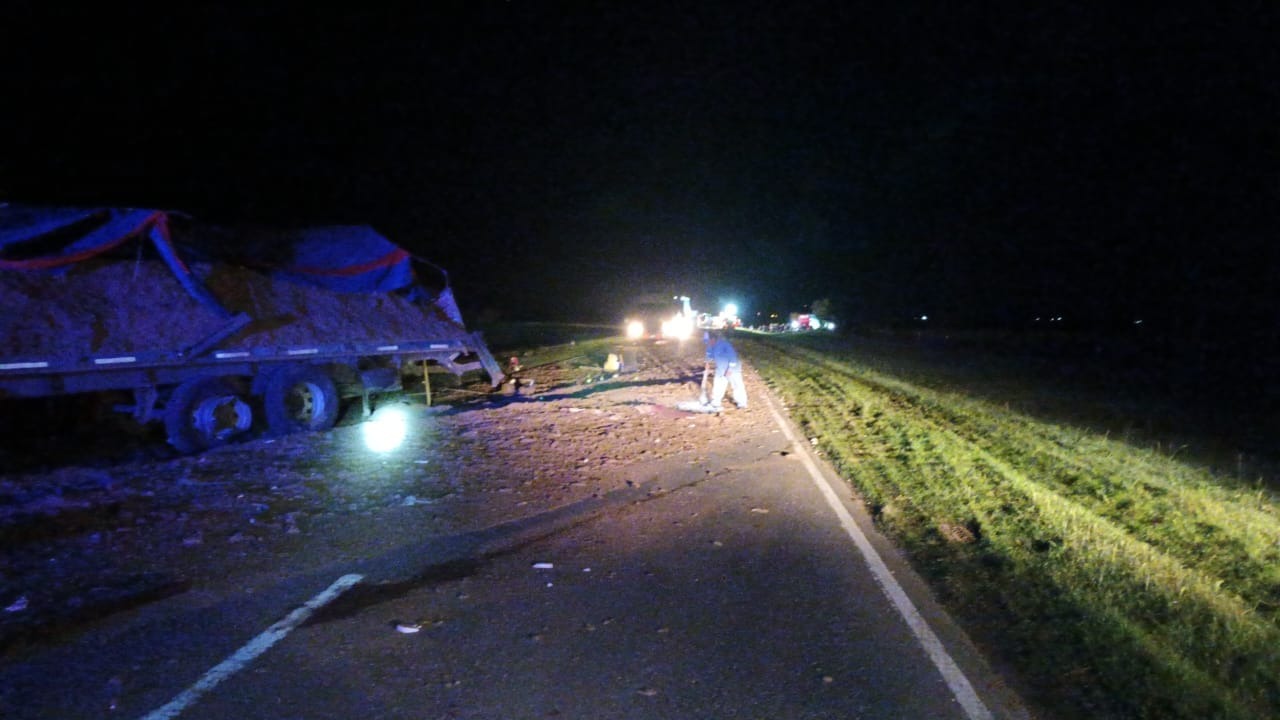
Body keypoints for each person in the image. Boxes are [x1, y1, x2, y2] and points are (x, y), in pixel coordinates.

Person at [702, 329, 748, 411]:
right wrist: (707, 362)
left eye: (708, 341)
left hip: (733, 368)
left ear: (713, 339)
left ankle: (742, 403)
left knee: (736, 385)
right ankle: (716, 402)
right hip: (720, 368)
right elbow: (709, 354)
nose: (707, 343)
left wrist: (730, 369)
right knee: (718, 384)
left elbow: (733, 357)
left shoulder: (724, 344)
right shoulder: (710, 346)